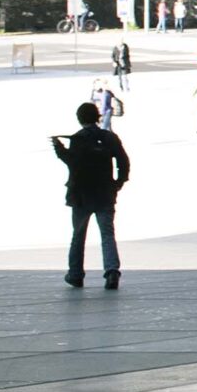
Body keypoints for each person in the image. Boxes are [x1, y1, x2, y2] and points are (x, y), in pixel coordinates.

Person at [53, 100, 129, 290]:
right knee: (107, 234)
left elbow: (74, 164)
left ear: (79, 119)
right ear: (97, 117)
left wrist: (59, 150)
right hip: (105, 193)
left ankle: (76, 274)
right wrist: (118, 183)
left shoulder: (78, 139)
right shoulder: (109, 137)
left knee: (78, 236)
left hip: (81, 195)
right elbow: (123, 161)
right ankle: (112, 272)